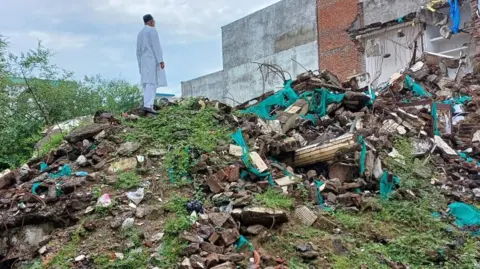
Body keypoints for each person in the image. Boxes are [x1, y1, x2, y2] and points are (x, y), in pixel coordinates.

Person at [136, 14, 167, 114]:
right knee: (151, 82)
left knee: (146, 83)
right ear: (150, 22)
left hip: (143, 60)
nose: (155, 23)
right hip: (151, 59)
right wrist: (160, 60)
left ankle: (147, 104)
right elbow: (156, 46)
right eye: (154, 21)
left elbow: (138, 51)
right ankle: (148, 105)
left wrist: (139, 65)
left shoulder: (140, 33)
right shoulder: (152, 30)